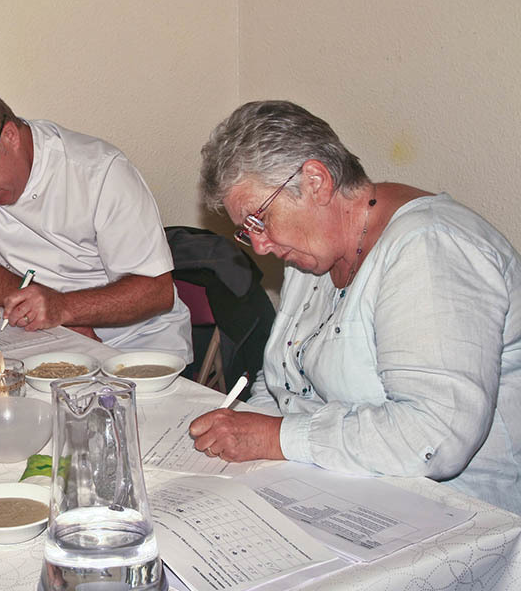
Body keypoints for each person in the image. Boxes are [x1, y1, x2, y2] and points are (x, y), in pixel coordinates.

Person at [188, 100, 521, 515]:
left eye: (259, 220)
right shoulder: (316, 251)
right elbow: (284, 387)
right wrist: (241, 432)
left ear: (316, 180)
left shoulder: (431, 249)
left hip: (462, 515)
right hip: (344, 490)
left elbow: (435, 439)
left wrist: (274, 439)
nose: (259, 246)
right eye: (247, 231)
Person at [0, 84, 192, 357]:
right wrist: (39, 304)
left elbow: (156, 292)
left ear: (10, 137)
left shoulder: (99, 172)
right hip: (49, 333)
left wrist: (64, 309)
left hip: (135, 341)